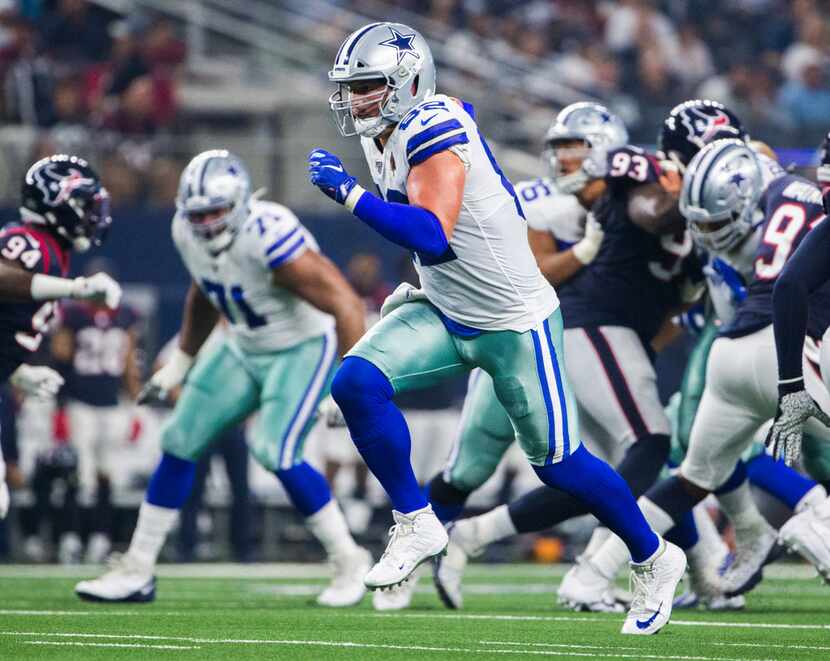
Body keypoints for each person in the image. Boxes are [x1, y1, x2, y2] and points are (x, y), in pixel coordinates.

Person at [309, 22, 684, 635]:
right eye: (351, 87)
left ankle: (653, 556)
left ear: (407, 82)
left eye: (369, 85)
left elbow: (432, 232)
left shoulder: (430, 126)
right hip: (447, 307)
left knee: (559, 465)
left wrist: (349, 194)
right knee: (354, 384)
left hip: (512, 320)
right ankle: (415, 519)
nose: (355, 99)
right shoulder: (399, 128)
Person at [75, 150, 371, 607]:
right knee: (178, 438)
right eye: (198, 214)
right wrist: (182, 361)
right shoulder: (184, 232)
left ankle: (349, 560)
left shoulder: (269, 236)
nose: (207, 223)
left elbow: (347, 305)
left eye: (216, 211)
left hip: (300, 347)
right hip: (242, 344)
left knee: (275, 451)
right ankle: (137, 569)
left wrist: (348, 381)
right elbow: (206, 290)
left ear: (238, 205)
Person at [572, 138, 830, 596]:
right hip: (786, 350)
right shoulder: (801, 204)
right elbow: (790, 285)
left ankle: (592, 573)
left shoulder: (775, 200)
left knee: (691, 480)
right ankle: (816, 523)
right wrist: (792, 382)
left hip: (728, 352)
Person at [0, 153, 122, 525]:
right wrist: (75, 289)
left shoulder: (52, 252)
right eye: (83, 205)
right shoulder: (27, 241)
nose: (91, 216)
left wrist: (16, 372)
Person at [50, 258, 142, 563]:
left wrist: (135, 402)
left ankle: (100, 537)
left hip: (110, 405)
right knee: (80, 475)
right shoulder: (75, 315)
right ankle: (71, 537)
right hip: (81, 403)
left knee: (105, 476)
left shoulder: (124, 316)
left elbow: (128, 361)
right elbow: (61, 353)